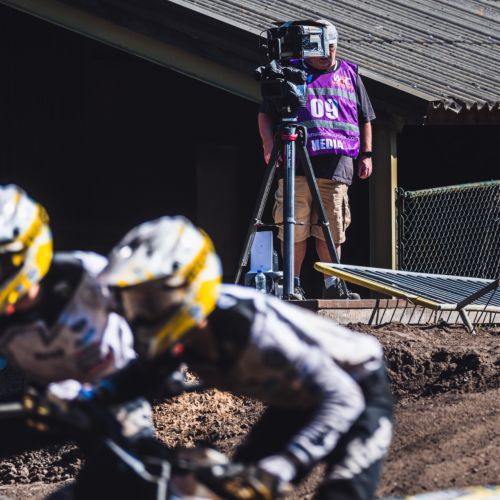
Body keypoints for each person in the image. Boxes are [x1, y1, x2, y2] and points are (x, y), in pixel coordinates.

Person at [84, 215, 393, 500]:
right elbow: (129, 384)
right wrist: (79, 403)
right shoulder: (185, 333)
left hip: (356, 388)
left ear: (187, 287)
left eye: (150, 301)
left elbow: (344, 398)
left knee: (342, 494)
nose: (139, 315)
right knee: (232, 490)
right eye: (134, 303)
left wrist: (286, 464)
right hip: (294, 399)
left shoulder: (256, 333)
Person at [0, 184, 153, 458]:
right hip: (46, 405)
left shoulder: (85, 275)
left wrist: (162, 365)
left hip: (114, 396)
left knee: (131, 461)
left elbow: (151, 316)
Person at [258, 19, 375, 300]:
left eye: (331, 47)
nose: (326, 53)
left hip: (336, 167)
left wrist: (367, 154)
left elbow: (365, 118)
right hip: (296, 164)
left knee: (332, 228)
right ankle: (293, 284)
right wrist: (268, 145)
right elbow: (265, 113)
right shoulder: (291, 72)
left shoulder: (350, 73)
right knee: (294, 226)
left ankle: (333, 284)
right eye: (320, 48)